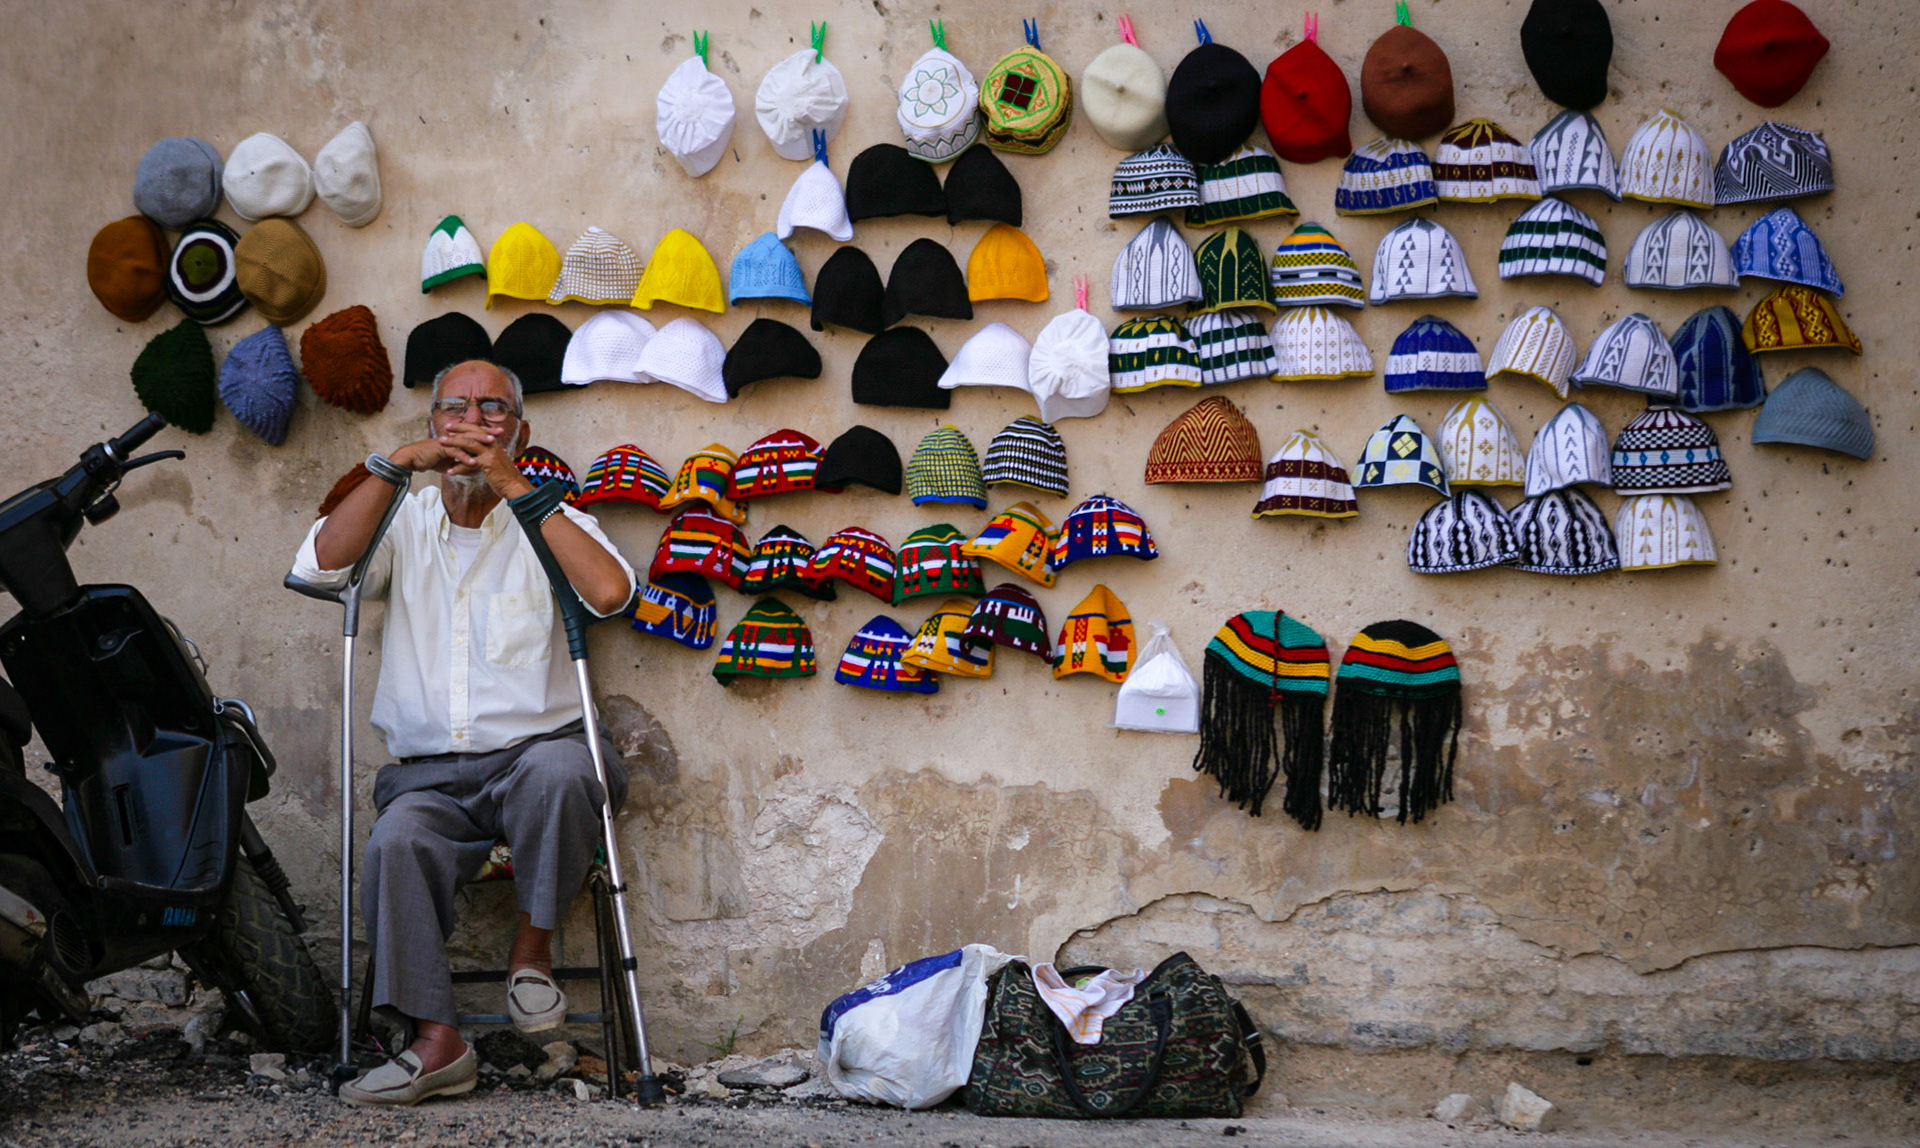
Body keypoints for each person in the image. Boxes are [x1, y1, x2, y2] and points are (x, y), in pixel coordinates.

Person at [290, 359, 636, 1107]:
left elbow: (610, 593)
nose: (473, 424)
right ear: (433, 426)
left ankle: (531, 956)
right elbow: (319, 567)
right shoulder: (399, 519)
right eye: (455, 409)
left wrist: (515, 486)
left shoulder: (549, 513)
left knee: (565, 771)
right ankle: (436, 1041)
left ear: (520, 432)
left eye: (493, 411)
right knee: (396, 842)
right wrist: (393, 468)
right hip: (427, 777)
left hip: (536, 761)